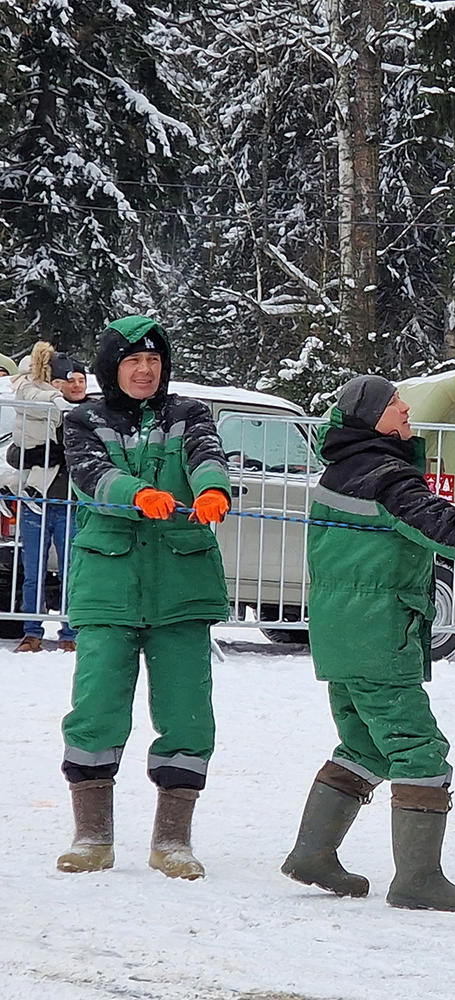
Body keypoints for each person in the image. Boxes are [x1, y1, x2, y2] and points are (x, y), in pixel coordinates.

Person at [282, 375, 455, 912]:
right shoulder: (385, 475)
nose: (406, 407)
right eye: (395, 402)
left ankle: (312, 854)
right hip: (378, 633)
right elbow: (443, 525)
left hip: (344, 632)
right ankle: (418, 879)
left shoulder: (344, 469)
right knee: (419, 751)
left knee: (366, 746)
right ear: (372, 418)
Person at [56, 315, 233, 880]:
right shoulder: (84, 418)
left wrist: (211, 489)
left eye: (154, 360)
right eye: (133, 360)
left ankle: (172, 841)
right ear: (113, 366)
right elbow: (91, 475)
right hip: (108, 585)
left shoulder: (189, 414)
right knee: (97, 706)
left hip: (182, 586)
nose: (144, 369)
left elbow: (208, 454)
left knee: (187, 712)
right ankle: (92, 836)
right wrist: (139, 494)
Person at [9, 343, 87, 651]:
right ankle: (32, 631)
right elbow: (17, 452)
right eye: (69, 380)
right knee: (33, 572)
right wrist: (41, 454)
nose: (75, 385)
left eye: (80, 379)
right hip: (36, 501)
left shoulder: (90, 413)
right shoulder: (43, 410)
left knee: (73, 571)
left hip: (72, 504)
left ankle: (70, 632)